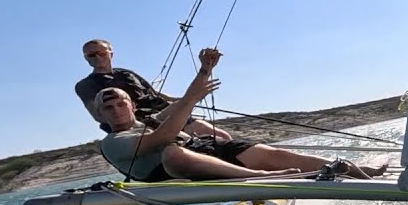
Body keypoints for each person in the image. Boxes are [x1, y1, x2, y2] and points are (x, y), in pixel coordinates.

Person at [95, 48, 386, 182]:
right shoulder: (114, 141)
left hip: (205, 152)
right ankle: (260, 177)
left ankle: (361, 171)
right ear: (101, 116)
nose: (116, 109)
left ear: (132, 106)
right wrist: (194, 97)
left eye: (121, 103)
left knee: (275, 154)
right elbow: (162, 139)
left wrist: (205, 70)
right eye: (108, 108)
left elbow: (181, 103)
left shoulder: (149, 119)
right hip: (172, 168)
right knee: (172, 153)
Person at [75, 38, 233, 139]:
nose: (97, 57)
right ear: (86, 58)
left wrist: (185, 100)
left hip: (167, 112)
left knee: (221, 136)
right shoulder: (85, 85)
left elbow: (155, 94)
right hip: (141, 126)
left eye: (101, 53)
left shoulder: (126, 73)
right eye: (91, 55)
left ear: (111, 54)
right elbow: (98, 116)